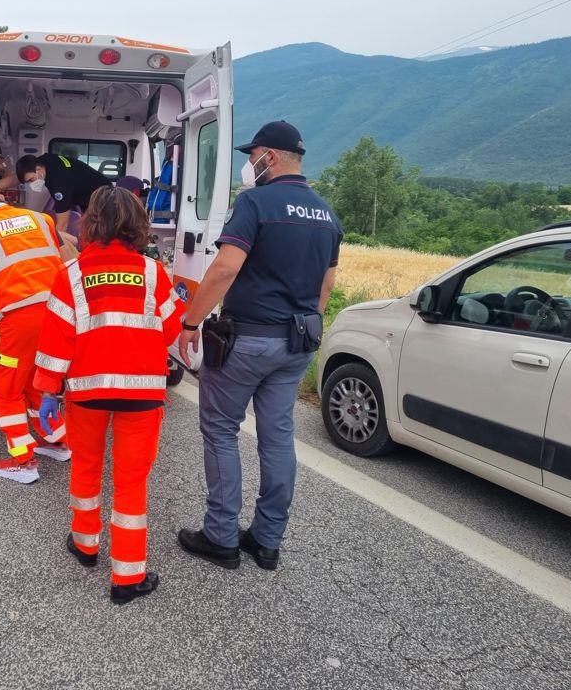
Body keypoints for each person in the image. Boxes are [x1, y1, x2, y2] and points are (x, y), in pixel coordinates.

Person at [175, 120, 341, 572]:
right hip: (298, 342)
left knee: (221, 429)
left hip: (248, 339)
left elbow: (225, 268)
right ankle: (267, 540)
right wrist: (308, 319)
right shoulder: (327, 214)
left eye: (252, 157)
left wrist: (190, 322)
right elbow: (327, 284)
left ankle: (222, 536)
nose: (249, 164)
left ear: (271, 155)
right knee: (277, 437)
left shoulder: (256, 202)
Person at [34, 186, 183, 604]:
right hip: (143, 397)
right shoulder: (154, 274)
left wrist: (47, 393)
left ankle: (85, 545)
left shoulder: (72, 274)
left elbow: (55, 341)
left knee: (85, 466)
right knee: (131, 482)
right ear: (138, 225)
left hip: (87, 393)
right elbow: (172, 330)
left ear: (90, 224)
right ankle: (127, 577)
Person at [0, 182, 72, 483]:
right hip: (58, 314)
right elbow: (62, 260)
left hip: (21, 320)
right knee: (38, 380)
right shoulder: (42, 219)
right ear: (2, 199)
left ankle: (23, 461)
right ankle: (56, 440)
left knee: (6, 388)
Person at [16, 152, 113, 233]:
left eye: (31, 180)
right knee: (86, 229)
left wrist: (55, 250)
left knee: (96, 232)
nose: (31, 184)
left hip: (103, 196)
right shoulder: (43, 161)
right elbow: (13, 178)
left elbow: (63, 224)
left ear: (38, 169)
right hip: (89, 195)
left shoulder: (59, 182)